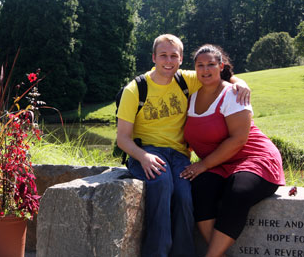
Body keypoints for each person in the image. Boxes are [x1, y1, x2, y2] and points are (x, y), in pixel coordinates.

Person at [116, 34, 250, 257]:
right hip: (146, 152)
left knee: (186, 195)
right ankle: (157, 253)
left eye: (173, 56)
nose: (168, 61)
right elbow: (123, 138)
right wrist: (143, 157)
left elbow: (217, 75)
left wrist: (241, 83)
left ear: (180, 60)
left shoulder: (185, 79)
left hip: (178, 156)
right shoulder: (135, 89)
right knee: (161, 184)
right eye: (163, 56)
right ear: (154, 57)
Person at [180, 44, 285, 257]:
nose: (206, 69)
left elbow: (239, 140)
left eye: (211, 64)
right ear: (194, 69)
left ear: (221, 66)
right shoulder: (190, 97)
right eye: (200, 65)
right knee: (200, 189)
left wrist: (203, 165)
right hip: (220, 164)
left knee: (238, 192)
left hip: (255, 158)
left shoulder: (233, 94)